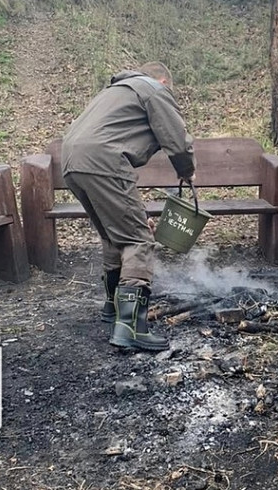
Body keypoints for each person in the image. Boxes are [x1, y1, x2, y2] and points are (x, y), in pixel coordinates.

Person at [61, 62, 196, 351]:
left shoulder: (114, 91)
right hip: (102, 160)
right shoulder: (153, 89)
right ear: (162, 80)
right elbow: (176, 138)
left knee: (114, 235)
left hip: (72, 161)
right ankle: (131, 327)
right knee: (138, 239)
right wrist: (186, 170)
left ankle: (112, 308)